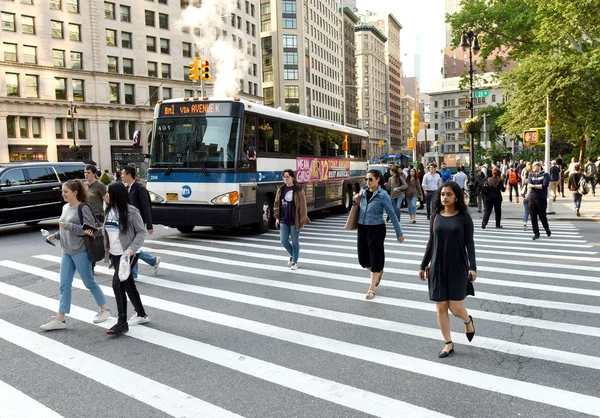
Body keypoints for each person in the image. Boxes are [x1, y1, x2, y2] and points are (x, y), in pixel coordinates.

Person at [41, 180, 110, 331]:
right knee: (64, 285)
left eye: (65, 191)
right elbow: (64, 228)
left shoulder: (83, 208)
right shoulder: (65, 207)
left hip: (80, 250)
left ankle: (104, 309)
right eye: (62, 191)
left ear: (75, 192)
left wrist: (69, 226)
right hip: (66, 251)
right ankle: (60, 319)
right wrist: (55, 236)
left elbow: (91, 230)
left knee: (89, 282)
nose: (63, 194)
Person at [419, 181, 477, 358]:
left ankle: (468, 320)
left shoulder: (464, 217)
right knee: (441, 307)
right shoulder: (436, 215)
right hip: (437, 265)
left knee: (456, 308)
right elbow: (431, 241)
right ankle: (448, 343)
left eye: (449, 194)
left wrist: (472, 267)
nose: (445, 197)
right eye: (442, 194)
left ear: (456, 196)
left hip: (457, 266)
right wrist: (423, 265)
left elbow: (469, 243)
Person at [103, 182, 150, 335]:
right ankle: (141, 314)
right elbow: (108, 231)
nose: (106, 195)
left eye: (108, 193)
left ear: (117, 194)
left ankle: (122, 322)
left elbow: (142, 232)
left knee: (117, 285)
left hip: (127, 255)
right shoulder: (108, 210)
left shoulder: (131, 211)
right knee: (128, 284)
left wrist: (131, 250)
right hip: (115, 255)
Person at [354, 169, 404, 299]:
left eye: (370, 179)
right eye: (366, 179)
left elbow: (392, 214)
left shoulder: (383, 195)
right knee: (363, 260)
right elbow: (357, 208)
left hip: (377, 228)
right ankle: (378, 270)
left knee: (375, 257)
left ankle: (371, 289)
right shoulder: (363, 192)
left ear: (377, 180)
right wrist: (356, 200)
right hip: (363, 227)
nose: (368, 182)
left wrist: (399, 233)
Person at [121, 166, 160, 277]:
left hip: (138, 222)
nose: (121, 176)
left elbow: (146, 207)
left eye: (123, 174)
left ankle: (133, 273)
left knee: (133, 246)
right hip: (127, 222)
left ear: (129, 175)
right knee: (132, 246)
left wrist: (149, 224)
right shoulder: (125, 188)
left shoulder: (140, 189)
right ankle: (152, 261)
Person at [274, 169, 310, 270]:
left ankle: (294, 261)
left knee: (295, 241)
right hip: (283, 219)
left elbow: (303, 206)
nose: (286, 179)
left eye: (288, 177)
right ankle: (293, 255)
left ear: (292, 178)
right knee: (283, 240)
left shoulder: (298, 190)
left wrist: (303, 220)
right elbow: (276, 204)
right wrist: (277, 217)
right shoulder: (281, 189)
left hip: (295, 219)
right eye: (284, 177)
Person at [528, 161, 552, 240]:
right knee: (533, 217)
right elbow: (529, 185)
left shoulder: (545, 175)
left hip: (541, 199)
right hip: (532, 198)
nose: (533, 167)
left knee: (542, 216)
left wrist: (533, 185)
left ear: (539, 166)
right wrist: (527, 194)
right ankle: (536, 233)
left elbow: (544, 186)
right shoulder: (531, 175)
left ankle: (546, 228)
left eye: (534, 166)